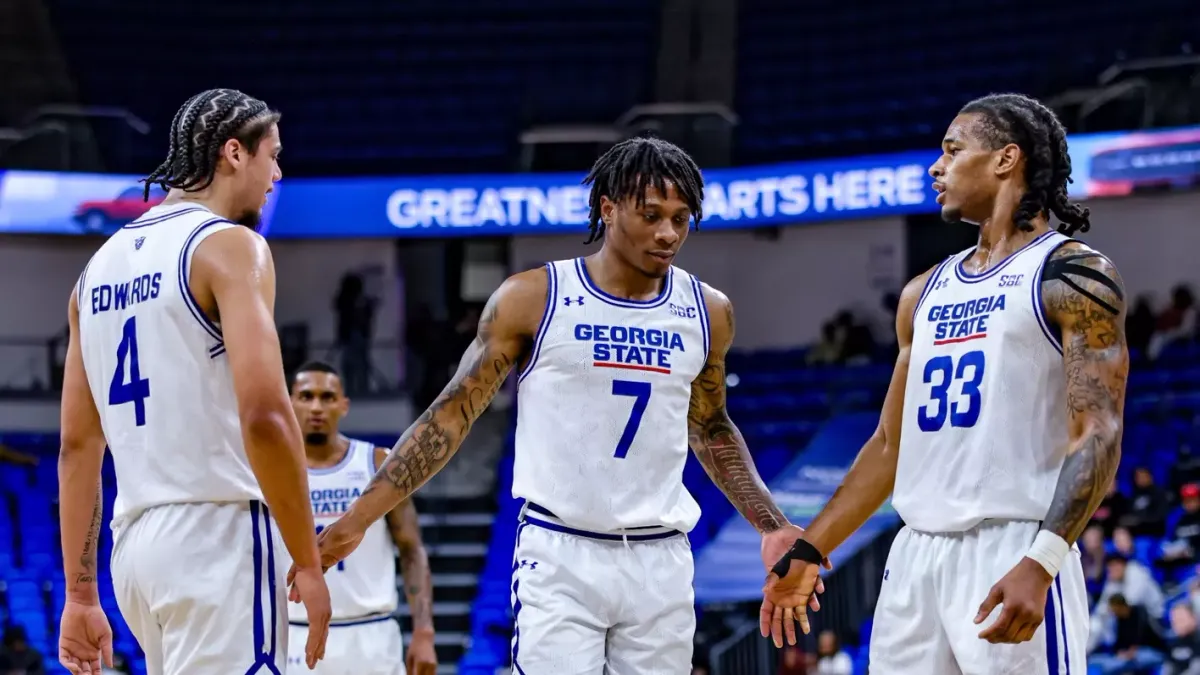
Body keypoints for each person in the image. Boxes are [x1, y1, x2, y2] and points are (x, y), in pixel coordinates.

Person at [297, 134, 822, 673]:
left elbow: (711, 426)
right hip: (560, 551)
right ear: (608, 207)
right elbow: (450, 415)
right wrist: (359, 518)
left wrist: (771, 524)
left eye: (681, 218)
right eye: (651, 215)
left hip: (661, 558)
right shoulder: (534, 298)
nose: (668, 233)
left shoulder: (708, 311)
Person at [762, 93, 1129, 674]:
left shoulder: (1071, 274)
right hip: (914, 556)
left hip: (1013, 546)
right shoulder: (922, 292)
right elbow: (889, 444)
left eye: (953, 151)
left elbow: (1099, 430)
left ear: (1007, 159)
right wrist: (812, 549)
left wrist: (1044, 560)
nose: (937, 167)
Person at [56, 88, 331, 675]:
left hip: (136, 551)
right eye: (272, 156)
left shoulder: (93, 272)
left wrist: (80, 595)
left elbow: (77, 447)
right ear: (235, 153)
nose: (277, 174)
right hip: (219, 536)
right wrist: (307, 559)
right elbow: (265, 414)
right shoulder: (230, 247)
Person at [286, 361, 438, 675]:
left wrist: (423, 631)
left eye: (327, 397)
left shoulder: (378, 463)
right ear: (289, 402)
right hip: (294, 632)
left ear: (344, 405)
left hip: (371, 634)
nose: (316, 406)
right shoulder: (272, 471)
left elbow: (411, 548)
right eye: (306, 396)